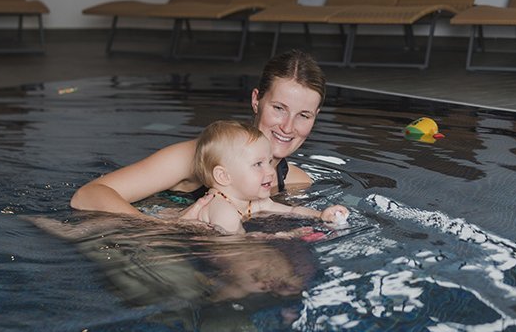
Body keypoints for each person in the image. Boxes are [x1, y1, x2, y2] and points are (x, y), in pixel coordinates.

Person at [70, 49, 327, 221]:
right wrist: (161, 229)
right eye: (279, 108)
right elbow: (89, 195)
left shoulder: (295, 181)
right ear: (256, 101)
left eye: (304, 115)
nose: (288, 127)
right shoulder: (195, 157)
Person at [193, 120, 348, 234]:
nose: (271, 171)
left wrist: (320, 215)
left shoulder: (252, 200)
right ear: (224, 176)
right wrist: (283, 236)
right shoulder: (221, 209)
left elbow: (292, 210)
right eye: (258, 164)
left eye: (269, 162)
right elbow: (235, 247)